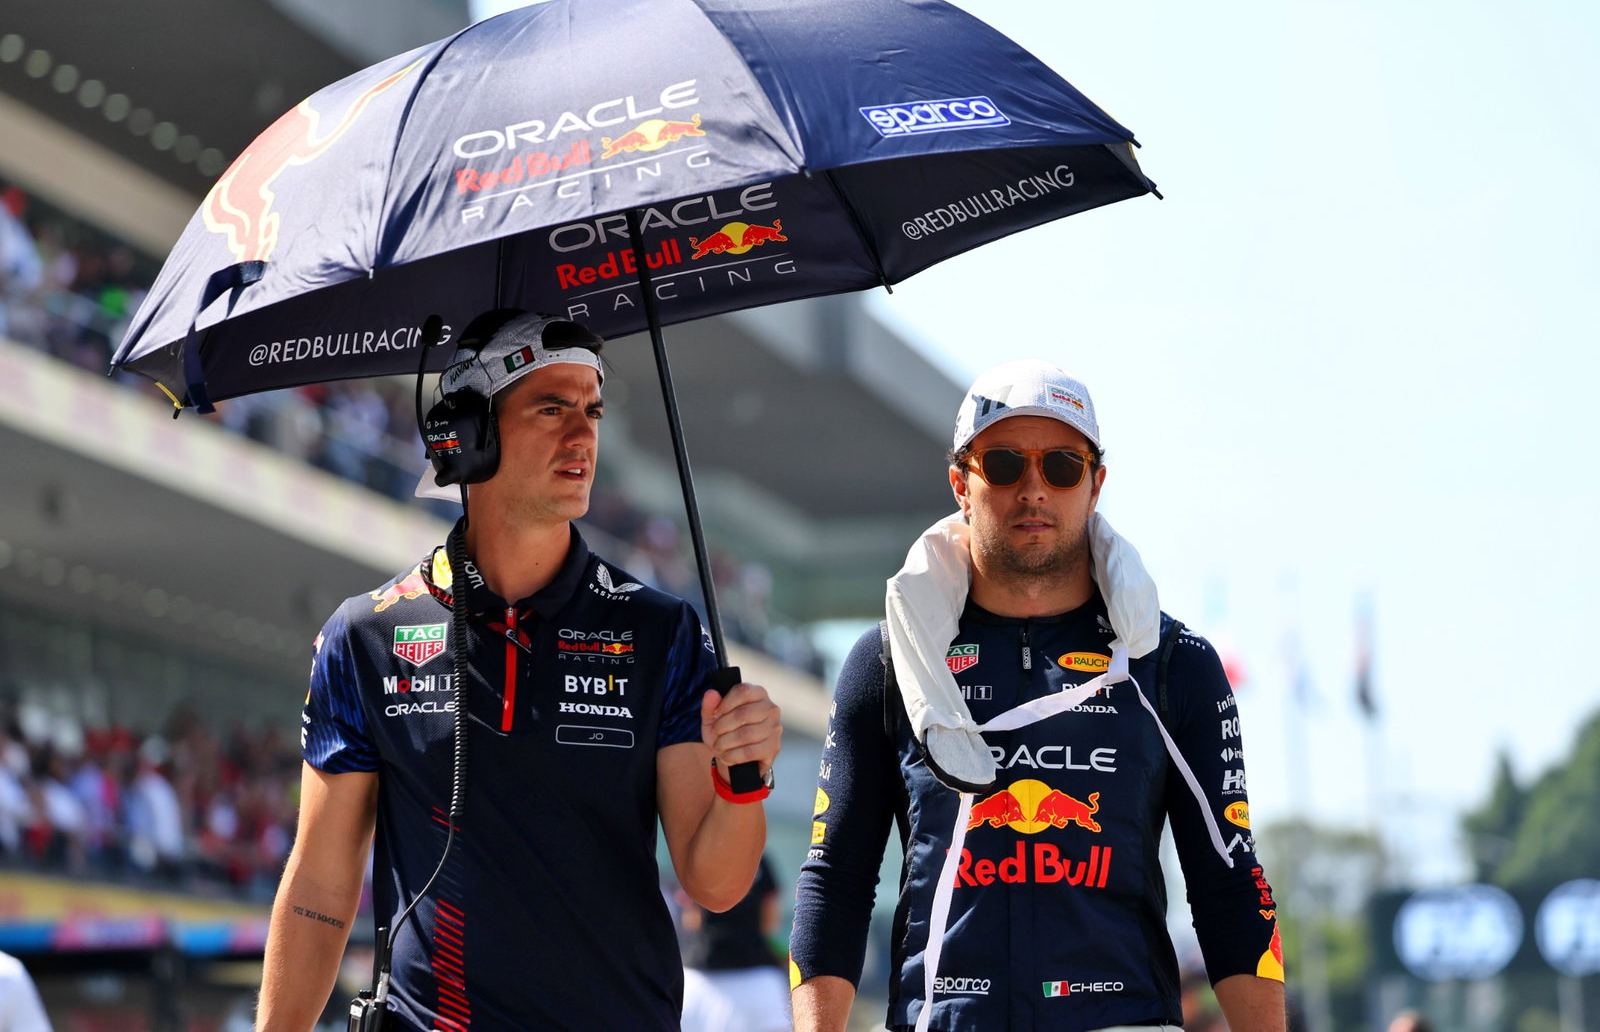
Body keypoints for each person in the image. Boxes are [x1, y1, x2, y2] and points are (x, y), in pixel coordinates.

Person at [257, 312, 782, 1031]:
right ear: (470, 434)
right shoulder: (364, 635)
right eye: (551, 407)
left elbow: (716, 885)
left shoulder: (660, 631)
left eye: (591, 410)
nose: (583, 435)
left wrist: (743, 779)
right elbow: (319, 883)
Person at [789, 360, 1285, 1031]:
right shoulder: (887, 662)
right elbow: (836, 880)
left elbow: (1230, 886)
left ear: (1095, 483)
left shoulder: (1170, 663)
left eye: (1060, 466)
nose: (1033, 489)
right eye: (1002, 464)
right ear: (961, 483)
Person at [679, 854, 792, 1032]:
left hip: (694, 985)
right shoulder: (760, 862)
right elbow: (770, 921)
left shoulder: (700, 855)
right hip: (760, 984)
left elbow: (692, 919)